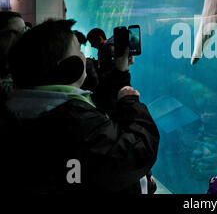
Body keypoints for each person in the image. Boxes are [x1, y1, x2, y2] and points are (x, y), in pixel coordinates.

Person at [3, 19, 159, 193]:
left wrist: (120, 72)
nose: (85, 57)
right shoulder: (72, 122)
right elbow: (137, 153)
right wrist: (131, 104)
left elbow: (98, 107)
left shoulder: (31, 107)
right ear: (70, 67)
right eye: (78, 51)